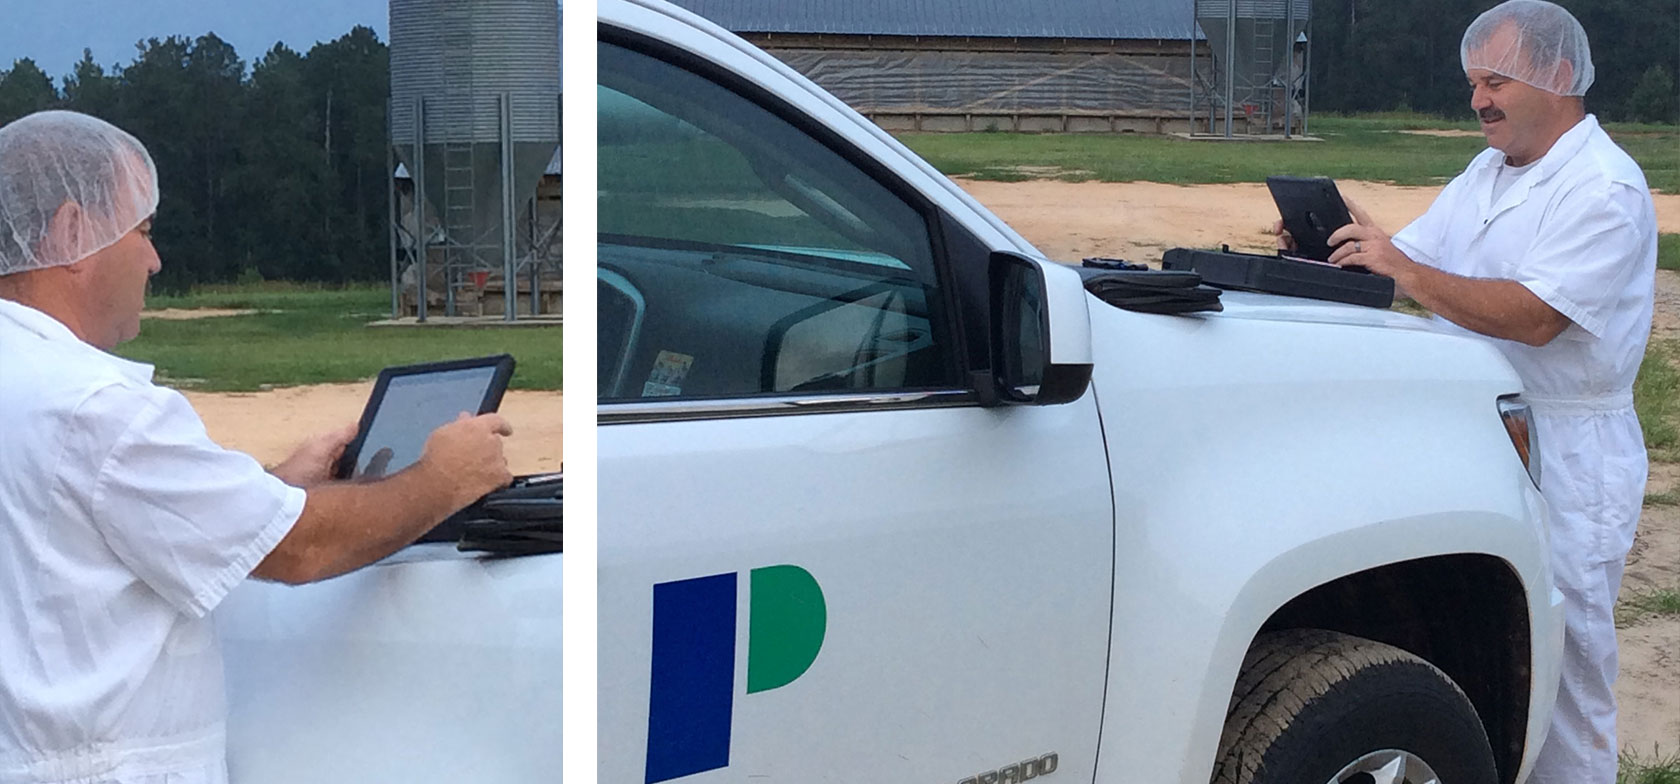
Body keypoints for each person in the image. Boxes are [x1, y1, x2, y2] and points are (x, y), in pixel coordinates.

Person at [0, 110, 516, 783]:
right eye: (144, 231)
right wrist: (442, 479)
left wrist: (273, 485)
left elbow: (82, 530)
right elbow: (300, 550)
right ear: (73, 230)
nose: (154, 259)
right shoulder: (98, 407)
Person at [1275, 2, 1657, 780]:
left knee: (1569, 672)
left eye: (1496, 81)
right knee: (1498, 648)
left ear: (1556, 76)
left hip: (1571, 452)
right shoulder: (1487, 172)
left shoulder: (1603, 188)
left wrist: (1406, 272)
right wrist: (1340, 247)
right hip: (1480, 435)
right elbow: (1410, 257)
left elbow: (1537, 316)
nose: (1479, 99)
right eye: (1472, 82)